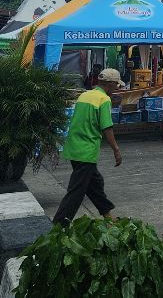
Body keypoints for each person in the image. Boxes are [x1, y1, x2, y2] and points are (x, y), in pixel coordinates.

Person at [54, 68, 123, 226]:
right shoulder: (103, 100)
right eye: (116, 86)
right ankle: (60, 224)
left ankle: (108, 215)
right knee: (77, 190)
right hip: (86, 150)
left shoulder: (84, 95)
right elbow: (107, 128)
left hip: (74, 147)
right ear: (111, 84)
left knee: (95, 183)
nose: (116, 89)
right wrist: (116, 150)